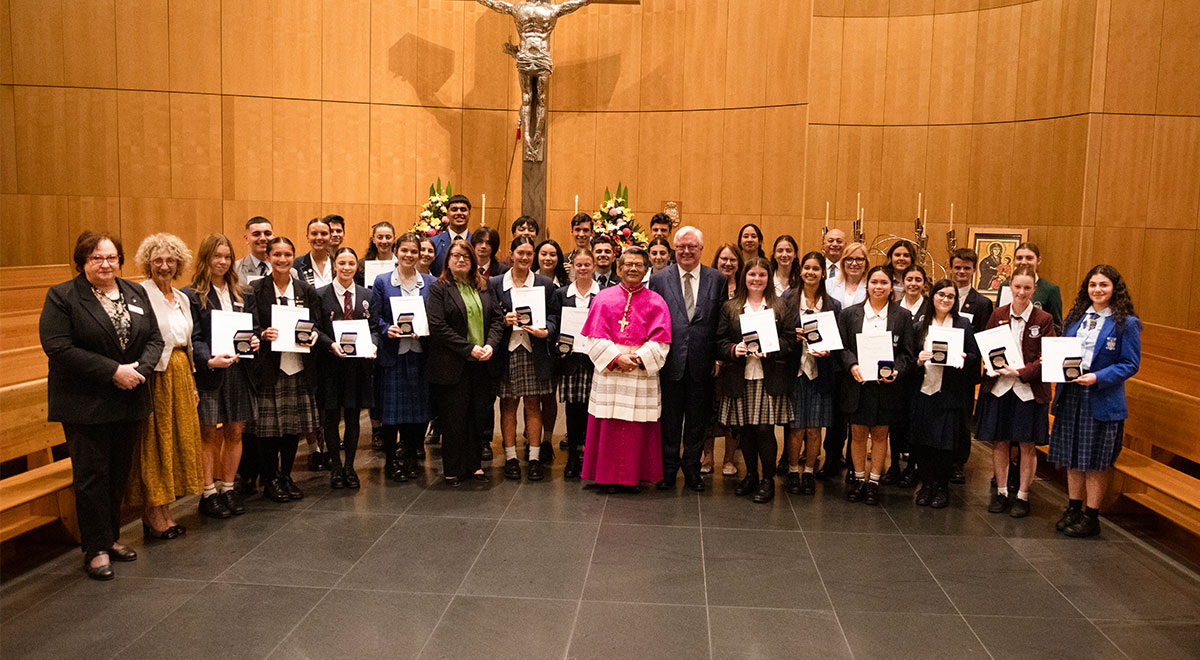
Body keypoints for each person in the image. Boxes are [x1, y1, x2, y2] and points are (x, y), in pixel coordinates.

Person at [40, 232, 163, 580]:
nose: (106, 264)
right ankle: (94, 549)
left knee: (117, 474)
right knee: (92, 476)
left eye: (111, 258)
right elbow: (58, 347)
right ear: (82, 262)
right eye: (97, 259)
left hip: (129, 397)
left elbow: (154, 337)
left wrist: (140, 370)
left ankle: (110, 538)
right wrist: (113, 372)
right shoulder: (63, 296)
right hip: (86, 403)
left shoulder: (134, 291)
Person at [1048, 265, 1140, 537]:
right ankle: (1073, 508)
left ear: (1114, 289)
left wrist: (1098, 377)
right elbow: (1064, 352)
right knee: (1073, 457)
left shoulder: (1126, 322)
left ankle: (1092, 516)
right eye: (1093, 285)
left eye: (1103, 285)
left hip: (1101, 397)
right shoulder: (1075, 316)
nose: (1097, 290)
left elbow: (1130, 364)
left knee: (1096, 462)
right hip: (1072, 393)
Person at [126, 233, 203, 541]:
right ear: (148, 263)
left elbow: (188, 342)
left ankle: (165, 508)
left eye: (171, 260)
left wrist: (194, 382)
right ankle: (152, 510)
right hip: (156, 375)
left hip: (182, 373)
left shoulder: (182, 297)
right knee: (155, 443)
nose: (164, 266)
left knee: (176, 442)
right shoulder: (139, 294)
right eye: (158, 260)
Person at [581, 248, 672, 493]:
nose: (633, 269)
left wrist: (638, 358)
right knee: (608, 424)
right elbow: (592, 338)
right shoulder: (603, 298)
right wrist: (616, 357)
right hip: (611, 370)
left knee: (636, 426)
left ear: (646, 270)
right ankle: (606, 477)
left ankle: (634, 477)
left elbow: (661, 342)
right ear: (619, 268)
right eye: (628, 264)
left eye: (638, 265)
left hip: (640, 371)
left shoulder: (656, 301)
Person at [248, 237, 327, 503]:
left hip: (299, 366)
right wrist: (262, 332)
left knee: (293, 428)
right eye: (277, 254)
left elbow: (315, 324)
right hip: (270, 368)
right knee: (269, 430)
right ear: (268, 257)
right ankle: (270, 478)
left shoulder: (305, 290)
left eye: (288, 255)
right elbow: (249, 327)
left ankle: (286, 475)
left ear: (294, 257)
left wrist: (314, 335)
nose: (282, 260)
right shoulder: (255, 290)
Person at [185, 233, 258, 520]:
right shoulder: (191, 295)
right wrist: (208, 360)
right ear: (206, 258)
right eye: (217, 256)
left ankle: (228, 488)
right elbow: (195, 336)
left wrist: (254, 341)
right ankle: (208, 493)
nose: (223, 262)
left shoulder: (244, 292)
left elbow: (254, 328)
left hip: (240, 370)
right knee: (207, 432)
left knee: (235, 430)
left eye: (227, 257)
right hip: (212, 371)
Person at [974, 265, 1055, 518]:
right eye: (1017, 287)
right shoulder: (997, 313)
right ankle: (1001, 491)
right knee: (1000, 442)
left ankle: (1022, 495)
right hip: (1000, 389)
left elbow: (1046, 358)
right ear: (1010, 287)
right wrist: (991, 366)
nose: (1021, 292)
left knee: (1026, 444)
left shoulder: (1044, 319)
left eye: (1027, 288)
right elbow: (987, 346)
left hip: (1028, 391)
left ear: (1034, 289)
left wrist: (1020, 372)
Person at [650, 226, 725, 492]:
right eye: (681, 246)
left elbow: (721, 324)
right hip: (669, 362)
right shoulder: (660, 279)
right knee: (669, 421)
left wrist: (718, 358)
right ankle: (668, 470)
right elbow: (653, 320)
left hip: (703, 363)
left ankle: (692, 469)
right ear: (674, 249)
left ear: (701, 249)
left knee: (697, 422)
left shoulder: (717, 279)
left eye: (692, 246)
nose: (686, 251)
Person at [716, 258, 796, 503]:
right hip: (741, 376)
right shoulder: (731, 306)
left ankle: (768, 480)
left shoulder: (780, 306)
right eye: (752, 274)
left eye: (762, 275)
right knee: (746, 431)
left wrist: (771, 349)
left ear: (768, 278)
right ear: (744, 277)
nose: (756, 279)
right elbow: (719, 341)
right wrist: (733, 350)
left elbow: (790, 340)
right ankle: (750, 475)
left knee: (764, 430)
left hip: (768, 377)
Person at [427, 239, 505, 485]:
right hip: (453, 363)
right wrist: (470, 348)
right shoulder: (439, 288)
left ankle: (474, 466)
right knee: (453, 418)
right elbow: (438, 326)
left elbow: (497, 319)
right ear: (447, 261)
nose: (461, 260)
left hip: (482, 363)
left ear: (472, 261)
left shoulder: (484, 286)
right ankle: (452, 468)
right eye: (455, 256)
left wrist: (491, 344)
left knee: (477, 415)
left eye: (466, 257)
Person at [838, 265, 915, 505]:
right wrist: (852, 365)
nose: (878, 287)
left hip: (886, 387)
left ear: (891, 287)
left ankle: (874, 482)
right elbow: (842, 348)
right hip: (858, 384)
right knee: (858, 434)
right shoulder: (850, 314)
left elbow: (907, 354)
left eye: (884, 283)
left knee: (881, 435)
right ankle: (859, 479)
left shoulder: (902, 316)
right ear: (866, 285)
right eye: (874, 282)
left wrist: (896, 371)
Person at [909, 279, 979, 508]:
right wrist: (917, 360)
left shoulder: (962, 325)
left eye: (950, 296)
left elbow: (975, 356)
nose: (945, 300)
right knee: (923, 443)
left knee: (945, 445)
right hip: (924, 391)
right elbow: (908, 358)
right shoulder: (920, 326)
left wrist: (964, 359)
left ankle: (941, 487)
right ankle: (927, 485)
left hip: (949, 393)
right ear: (933, 296)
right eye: (941, 295)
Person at [490, 236, 556, 480]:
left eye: (529, 253)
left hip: (533, 349)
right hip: (507, 351)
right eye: (521, 253)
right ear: (511, 253)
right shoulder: (496, 283)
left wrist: (546, 330)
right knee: (508, 404)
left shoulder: (544, 284)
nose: (525, 258)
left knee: (533, 403)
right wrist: (502, 320)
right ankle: (510, 457)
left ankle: (535, 457)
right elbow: (489, 317)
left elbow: (554, 317)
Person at [374, 233, 437, 482]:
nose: (409, 255)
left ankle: (411, 456)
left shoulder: (430, 283)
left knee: (418, 413)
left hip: (420, 355)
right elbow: (375, 316)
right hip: (393, 355)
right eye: (405, 251)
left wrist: (428, 328)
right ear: (396, 252)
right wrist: (384, 328)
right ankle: (391, 461)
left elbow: (434, 316)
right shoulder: (382, 282)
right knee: (391, 415)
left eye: (414, 251)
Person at [316, 247, 381, 489]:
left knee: (353, 417)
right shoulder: (320, 295)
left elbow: (374, 328)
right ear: (334, 265)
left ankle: (350, 466)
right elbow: (315, 327)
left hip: (358, 366)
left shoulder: (368, 295)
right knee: (331, 417)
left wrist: (374, 345)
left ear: (357, 266)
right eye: (341, 263)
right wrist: (330, 344)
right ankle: (335, 466)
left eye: (351, 263)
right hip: (331, 365)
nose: (346, 268)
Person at [784, 252, 840, 495]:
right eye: (806, 267)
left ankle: (809, 471)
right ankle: (793, 470)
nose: (810, 272)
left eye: (816, 269)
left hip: (820, 372)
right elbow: (780, 334)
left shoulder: (833, 305)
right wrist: (791, 336)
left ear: (823, 273)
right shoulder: (788, 299)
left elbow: (839, 343)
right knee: (796, 427)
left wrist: (829, 352)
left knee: (815, 428)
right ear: (801, 271)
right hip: (795, 371)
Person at [550, 248, 598, 478]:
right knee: (572, 409)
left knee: (592, 409)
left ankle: (587, 456)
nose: (583, 269)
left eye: (587, 264)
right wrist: (558, 343)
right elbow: (555, 323)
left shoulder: (604, 294)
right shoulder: (561, 294)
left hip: (593, 360)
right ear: (573, 267)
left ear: (594, 266)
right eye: (578, 265)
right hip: (570, 360)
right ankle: (571, 459)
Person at [949, 247, 993, 484]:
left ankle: (958, 463)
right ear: (951, 269)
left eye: (967, 268)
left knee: (963, 419)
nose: (962, 272)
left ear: (974, 270)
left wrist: (968, 356)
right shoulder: (941, 295)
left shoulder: (982, 303)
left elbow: (983, 340)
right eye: (958, 267)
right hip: (941, 369)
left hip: (965, 371)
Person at [887, 264, 931, 486]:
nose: (913, 283)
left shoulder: (930, 310)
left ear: (924, 284)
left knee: (915, 422)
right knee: (896, 422)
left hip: (922, 375)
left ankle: (913, 467)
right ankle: (893, 465)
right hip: (899, 373)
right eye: (909, 279)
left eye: (918, 279)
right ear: (902, 282)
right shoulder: (893, 308)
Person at [705, 243, 744, 476]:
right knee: (708, 411)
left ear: (739, 264)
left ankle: (729, 459)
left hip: (736, 360)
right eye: (723, 259)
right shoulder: (709, 285)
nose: (727, 263)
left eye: (732, 260)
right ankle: (707, 456)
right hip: (712, 357)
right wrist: (715, 359)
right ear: (716, 261)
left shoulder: (744, 288)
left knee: (732, 413)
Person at [816, 228, 850, 481]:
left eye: (840, 241)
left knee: (842, 412)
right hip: (825, 352)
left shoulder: (863, 281)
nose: (835, 245)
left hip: (850, 352)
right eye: (831, 240)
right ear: (823, 243)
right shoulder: (820, 273)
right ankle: (821, 455)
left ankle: (837, 456)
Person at [533, 237, 568, 456]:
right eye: (544, 254)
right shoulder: (529, 280)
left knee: (548, 395)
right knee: (530, 396)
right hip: (531, 344)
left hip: (554, 346)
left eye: (553, 254)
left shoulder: (565, 284)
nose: (548, 258)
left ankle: (546, 439)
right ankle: (532, 436)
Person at [997, 242, 1064, 332]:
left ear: (1038, 260)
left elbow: (1057, 326)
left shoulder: (1050, 290)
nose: (1023, 262)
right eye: (1019, 258)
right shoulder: (1004, 286)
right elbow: (997, 320)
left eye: (1029, 258)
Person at [430, 194, 474, 277]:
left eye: (463, 210)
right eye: (454, 210)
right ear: (447, 214)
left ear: (469, 214)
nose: (459, 213)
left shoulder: (475, 243)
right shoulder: (434, 243)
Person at [234, 216, 279, 284]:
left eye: (267, 234)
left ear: (273, 237)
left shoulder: (289, 271)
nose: (262, 238)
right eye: (256, 234)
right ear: (246, 239)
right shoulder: (234, 269)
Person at [294, 217, 335, 289]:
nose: (319, 237)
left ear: (330, 237)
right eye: (314, 233)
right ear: (307, 237)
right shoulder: (296, 264)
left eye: (324, 233)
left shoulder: (337, 263)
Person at [828, 242, 868, 308]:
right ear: (843, 262)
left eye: (859, 259)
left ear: (866, 263)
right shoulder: (829, 284)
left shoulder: (871, 287)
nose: (854, 263)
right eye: (849, 259)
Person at [356, 221, 397, 286]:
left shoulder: (401, 264)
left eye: (388, 237)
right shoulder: (361, 265)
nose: (384, 241)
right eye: (380, 237)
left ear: (394, 239)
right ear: (373, 239)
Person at [566, 212, 594, 278]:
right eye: (577, 230)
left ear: (592, 233)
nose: (581, 234)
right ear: (572, 232)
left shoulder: (599, 258)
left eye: (585, 230)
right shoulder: (565, 260)